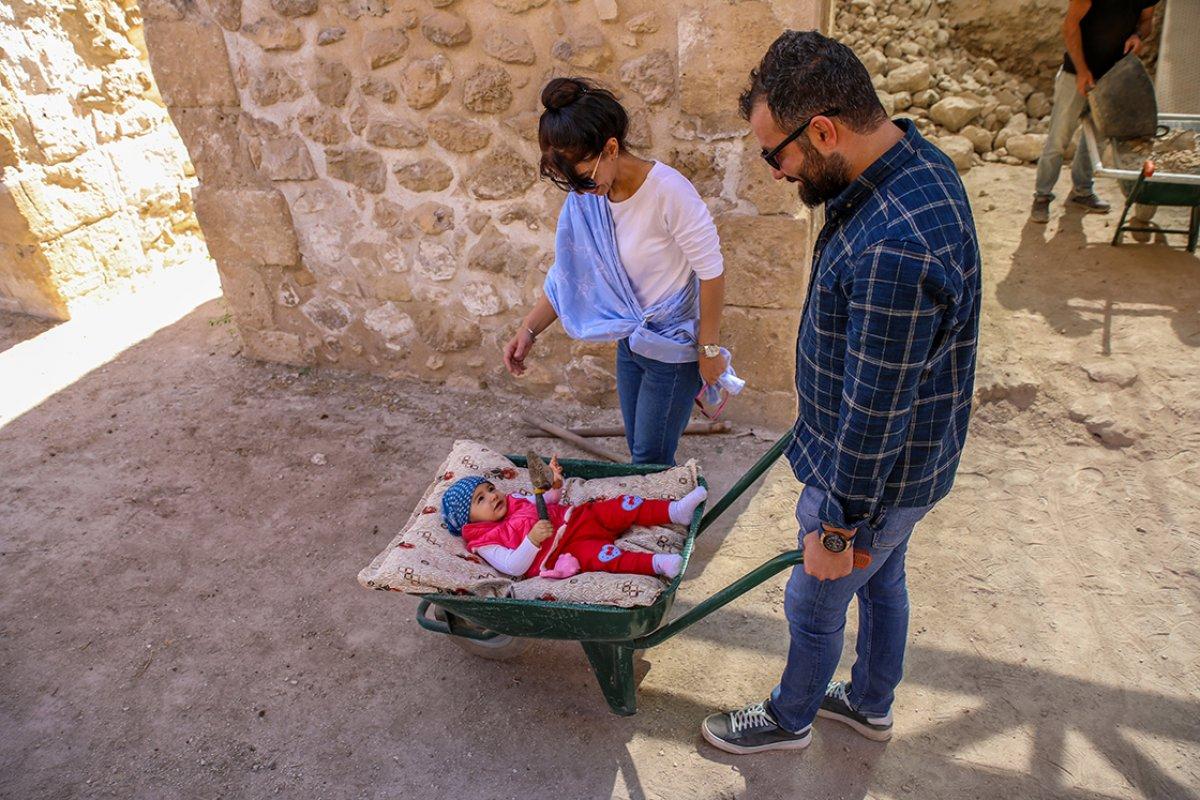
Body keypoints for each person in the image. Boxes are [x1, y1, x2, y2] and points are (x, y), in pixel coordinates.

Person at [700, 31, 981, 755]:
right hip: (913, 465)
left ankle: (790, 717)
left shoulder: (892, 247)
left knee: (815, 599)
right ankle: (868, 703)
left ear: (823, 131)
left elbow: (876, 409)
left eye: (776, 155)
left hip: (871, 479)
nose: (775, 174)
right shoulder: (916, 165)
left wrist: (838, 528)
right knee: (883, 584)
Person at [503, 77, 731, 466]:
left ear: (610, 148)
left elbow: (712, 272)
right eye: (570, 182)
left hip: (673, 348)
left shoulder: (669, 192)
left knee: (649, 457)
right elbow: (571, 276)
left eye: (583, 177)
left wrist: (708, 350)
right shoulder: (588, 198)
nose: (579, 190)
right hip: (630, 341)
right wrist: (528, 330)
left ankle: (665, 503)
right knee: (639, 447)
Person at [440, 459, 706, 580]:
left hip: (578, 519)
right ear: (468, 519)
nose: (492, 496)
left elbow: (548, 500)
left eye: (490, 489)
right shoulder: (485, 541)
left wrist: (555, 483)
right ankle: (658, 563)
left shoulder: (514, 501)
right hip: (566, 549)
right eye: (480, 499)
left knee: (621, 506)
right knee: (606, 557)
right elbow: (513, 567)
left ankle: (675, 511)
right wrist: (532, 540)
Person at [1030, 0, 1158, 223]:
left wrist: (1137, 36)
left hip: (1115, 74)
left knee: (1097, 139)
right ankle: (1042, 195)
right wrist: (1081, 71)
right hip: (1075, 72)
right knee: (1059, 137)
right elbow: (1070, 26)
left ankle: (1082, 191)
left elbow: (1146, 21)